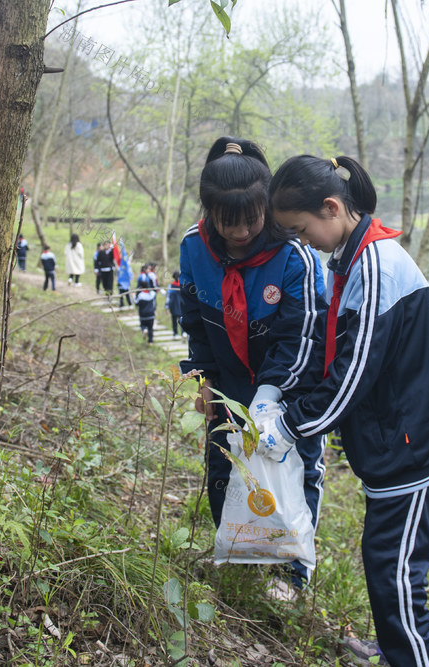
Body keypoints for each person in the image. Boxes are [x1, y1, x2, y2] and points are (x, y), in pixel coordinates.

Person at [258, 155, 429, 667]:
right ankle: (396, 650)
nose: (303, 242)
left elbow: (353, 375)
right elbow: (335, 350)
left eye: (302, 230)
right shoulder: (351, 260)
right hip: (395, 436)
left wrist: (290, 425)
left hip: (417, 440)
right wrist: (279, 394)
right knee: (384, 559)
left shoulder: (376, 266)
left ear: (331, 208)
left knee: (396, 568)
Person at [178, 137, 328, 589]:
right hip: (227, 381)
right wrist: (201, 377)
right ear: (209, 211)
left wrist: (270, 397)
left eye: (251, 220)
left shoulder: (292, 255)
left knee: (292, 468)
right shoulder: (194, 247)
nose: (240, 232)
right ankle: (237, 552)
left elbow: (301, 335)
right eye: (227, 222)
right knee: (224, 464)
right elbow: (194, 318)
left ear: (266, 206)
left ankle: (291, 570)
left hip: (288, 387)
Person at [134, 266, 157, 343]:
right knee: (151, 328)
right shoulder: (152, 294)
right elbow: (154, 303)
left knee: (143, 325)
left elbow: (136, 303)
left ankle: (144, 330)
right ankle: (150, 341)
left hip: (143, 314)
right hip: (151, 314)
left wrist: (134, 296)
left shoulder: (140, 295)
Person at [166, 270, 184, 338]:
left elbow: (168, 296)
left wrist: (166, 307)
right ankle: (183, 333)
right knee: (182, 320)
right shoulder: (182, 285)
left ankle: (175, 333)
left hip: (173, 305)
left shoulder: (170, 286)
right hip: (181, 306)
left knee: (174, 320)